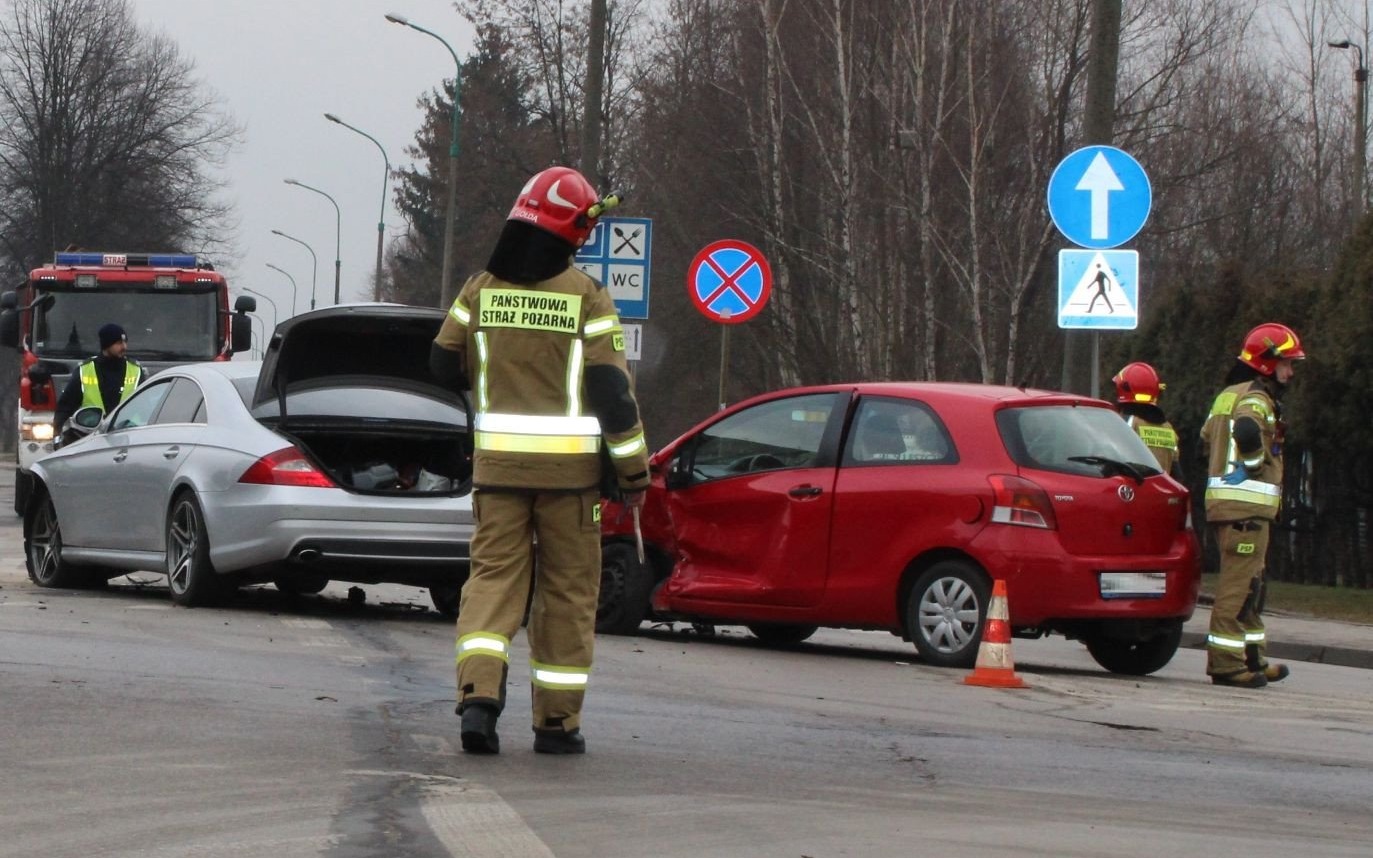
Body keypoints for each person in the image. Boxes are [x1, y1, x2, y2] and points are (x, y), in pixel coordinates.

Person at [429, 166, 650, 755]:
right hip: (571, 485)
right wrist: (633, 471)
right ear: (571, 230)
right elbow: (611, 390)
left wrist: (493, 370)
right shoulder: (586, 296)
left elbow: (440, 364)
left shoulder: (479, 290)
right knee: (567, 596)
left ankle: (478, 698)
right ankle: (556, 724)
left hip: (498, 475)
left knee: (492, 585)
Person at [1199, 323, 1304, 688]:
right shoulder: (1256, 399)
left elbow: (1207, 437)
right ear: (1265, 363)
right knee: (1238, 587)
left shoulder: (1228, 394)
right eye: (1287, 364)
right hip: (1244, 509)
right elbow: (1245, 430)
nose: (1290, 373)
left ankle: (1253, 658)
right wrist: (1255, 464)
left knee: (1252, 585)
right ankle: (1227, 665)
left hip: (1233, 510)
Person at [52, 322, 145, 437]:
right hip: (91, 439)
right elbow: (65, 407)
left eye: (125, 342)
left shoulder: (136, 370)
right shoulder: (84, 370)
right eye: (119, 343)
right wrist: (57, 433)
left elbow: (147, 406)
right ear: (106, 345)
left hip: (129, 436)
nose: (124, 347)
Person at [1111, 361, 1182, 479]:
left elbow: (1109, 460)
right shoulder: (1168, 428)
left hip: (1132, 494)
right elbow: (1177, 473)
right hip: (1163, 493)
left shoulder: (1126, 423)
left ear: (1123, 389)